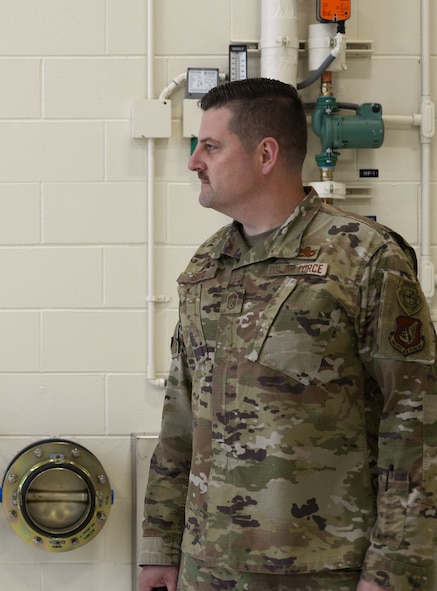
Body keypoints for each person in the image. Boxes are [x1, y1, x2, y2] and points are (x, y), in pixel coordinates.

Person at [137, 78, 437, 591]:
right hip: (206, 568)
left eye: (210, 146)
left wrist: (395, 572)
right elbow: (180, 416)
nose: (194, 162)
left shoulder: (363, 257)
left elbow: (416, 422)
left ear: (266, 155)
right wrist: (159, 547)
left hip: (323, 571)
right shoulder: (207, 264)